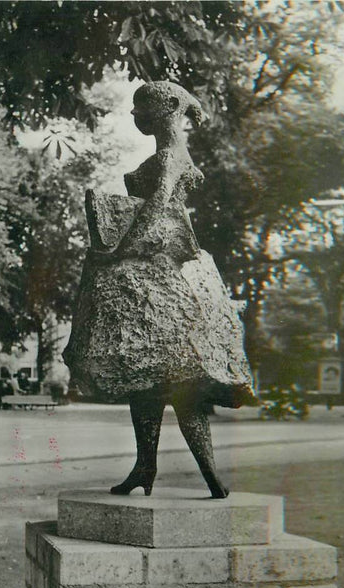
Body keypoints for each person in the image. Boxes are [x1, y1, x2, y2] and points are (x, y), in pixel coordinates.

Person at [63, 81, 255, 498]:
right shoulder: (172, 154)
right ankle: (147, 467)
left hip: (165, 273)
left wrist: (119, 250)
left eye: (141, 105)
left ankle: (206, 474)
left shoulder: (169, 156)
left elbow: (159, 203)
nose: (135, 114)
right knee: (148, 380)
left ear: (168, 105)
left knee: (180, 379)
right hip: (166, 271)